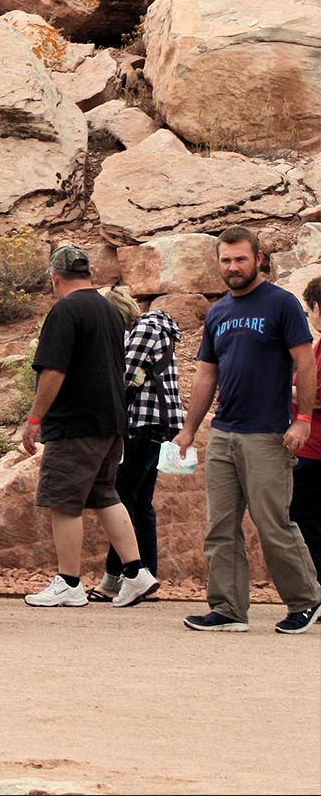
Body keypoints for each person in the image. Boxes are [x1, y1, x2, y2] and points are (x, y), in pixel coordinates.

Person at [174, 228, 319, 634]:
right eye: (226, 260)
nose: (233, 267)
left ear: (258, 258)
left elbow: (305, 363)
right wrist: (188, 430)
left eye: (240, 259)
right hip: (224, 432)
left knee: (273, 525)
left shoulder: (281, 304)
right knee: (220, 526)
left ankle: (305, 600)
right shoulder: (219, 311)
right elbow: (207, 373)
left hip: (268, 434)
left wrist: (303, 419)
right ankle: (228, 608)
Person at [19, 245, 155, 608]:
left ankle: (69, 582)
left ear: (55, 277)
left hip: (75, 424)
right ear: (88, 273)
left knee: (63, 500)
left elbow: (54, 370)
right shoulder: (108, 309)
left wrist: (35, 419)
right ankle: (136, 571)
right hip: (111, 421)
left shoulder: (65, 311)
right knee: (105, 494)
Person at [89, 287, 182, 603]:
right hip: (155, 426)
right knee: (141, 503)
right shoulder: (158, 329)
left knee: (122, 499)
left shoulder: (144, 329)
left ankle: (116, 579)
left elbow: (123, 376)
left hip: (142, 424)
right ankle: (146, 577)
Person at [295, 276, 321, 578]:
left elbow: (316, 395)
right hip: (310, 446)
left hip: (313, 448)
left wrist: (281, 389)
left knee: (304, 517)